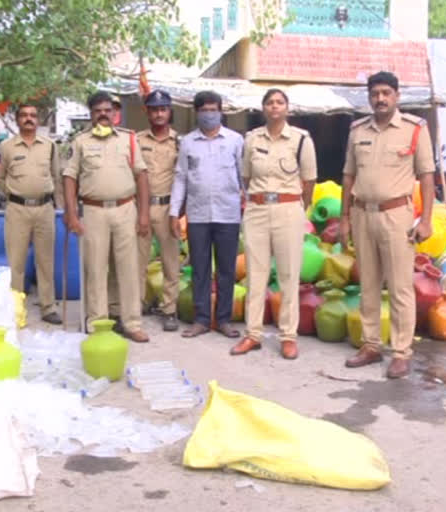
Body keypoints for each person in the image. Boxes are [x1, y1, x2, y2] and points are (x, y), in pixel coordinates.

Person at [340, 71, 435, 379]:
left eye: (385, 93)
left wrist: (427, 220)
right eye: (375, 93)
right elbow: (348, 177)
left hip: (397, 217)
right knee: (367, 284)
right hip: (361, 215)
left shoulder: (415, 129)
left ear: (397, 96)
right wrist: (344, 219)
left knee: (399, 287)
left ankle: (401, 352)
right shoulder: (357, 130)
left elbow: (427, 177)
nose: (380, 98)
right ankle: (370, 345)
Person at [230, 89, 317, 359]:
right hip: (257, 209)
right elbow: (245, 176)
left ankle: (288, 336)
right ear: (263, 108)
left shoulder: (301, 140)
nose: (274, 106)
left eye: (279, 102)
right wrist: (259, 199)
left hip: (288, 209)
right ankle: (252, 334)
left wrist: (295, 204)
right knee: (256, 274)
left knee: (289, 275)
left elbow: (309, 180)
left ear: (287, 108)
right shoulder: (252, 139)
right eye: (269, 102)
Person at [63, 91, 151, 342]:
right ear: (91, 114)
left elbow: (142, 176)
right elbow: (69, 178)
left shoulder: (129, 139)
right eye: (97, 110)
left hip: (125, 209)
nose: (103, 114)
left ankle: (132, 322)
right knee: (96, 268)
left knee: (128, 269)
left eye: (107, 110)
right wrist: (71, 214)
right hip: (93, 211)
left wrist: (143, 214)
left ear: (114, 113)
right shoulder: (80, 142)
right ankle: (98, 323)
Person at [170, 90, 243, 339]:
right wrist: (173, 212)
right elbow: (181, 177)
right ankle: (201, 319)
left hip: (228, 214)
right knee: (199, 268)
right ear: (196, 112)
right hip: (198, 215)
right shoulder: (188, 142)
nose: (209, 114)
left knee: (226, 270)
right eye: (204, 110)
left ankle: (223, 320)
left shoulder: (235, 140)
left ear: (221, 111)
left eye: (213, 110)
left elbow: (244, 177)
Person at [0, 104, 62, 324]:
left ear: (39, 119)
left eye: (33, 115)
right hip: (17, 210)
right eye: (24, 115)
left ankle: (48, 306)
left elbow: (56, 177)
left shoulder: (50, 146)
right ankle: (15, 308)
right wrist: (14, 195)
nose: (29, 119)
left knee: (46, 260)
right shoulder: (6, 147)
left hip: (44, 209)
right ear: (17, 119)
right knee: (16, 261)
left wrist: (59, 206)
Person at [136, 90, 181, 331]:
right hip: (140, 208)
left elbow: (184, 178)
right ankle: (136, 307)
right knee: (137, 261)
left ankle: (169, 309)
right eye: (154, 109)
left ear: (169, 111)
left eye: (163, 109)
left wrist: (179, 212)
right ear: (148, 112)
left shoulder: (179, 142)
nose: (159, 113)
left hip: (167, 208)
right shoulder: (136, 141)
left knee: (170, 262)